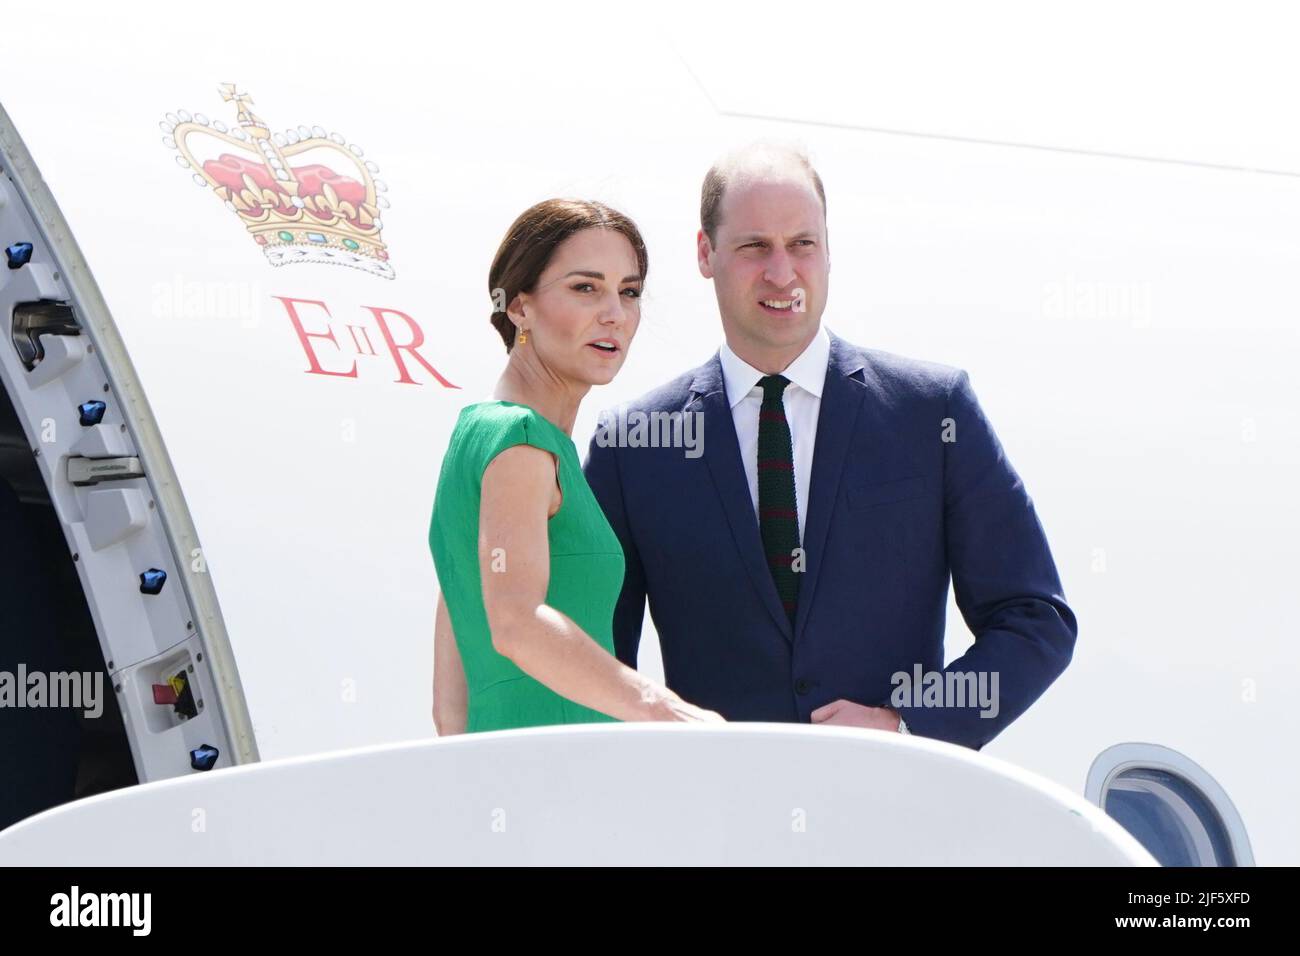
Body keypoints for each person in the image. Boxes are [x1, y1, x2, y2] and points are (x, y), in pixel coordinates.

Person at [583, 143, 1077, 751]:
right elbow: (596, 661)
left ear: (828, 248)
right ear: (705, 254)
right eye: (754, 246)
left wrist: (907, 727)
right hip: (716, 824)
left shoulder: (933, 410)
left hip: (893, 820)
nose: (782, 272)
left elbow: (1035, 622)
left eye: (802, 244)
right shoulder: (633, 445)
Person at [429, 199, 724, 734]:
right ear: (519, 306)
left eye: (628, 292)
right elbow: (516, 622)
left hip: (511, 783)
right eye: (585, 288)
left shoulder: (478, 436)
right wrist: (664, 709)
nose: (614, 312)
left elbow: (449, 707)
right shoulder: (521, 442)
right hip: (555, 782)